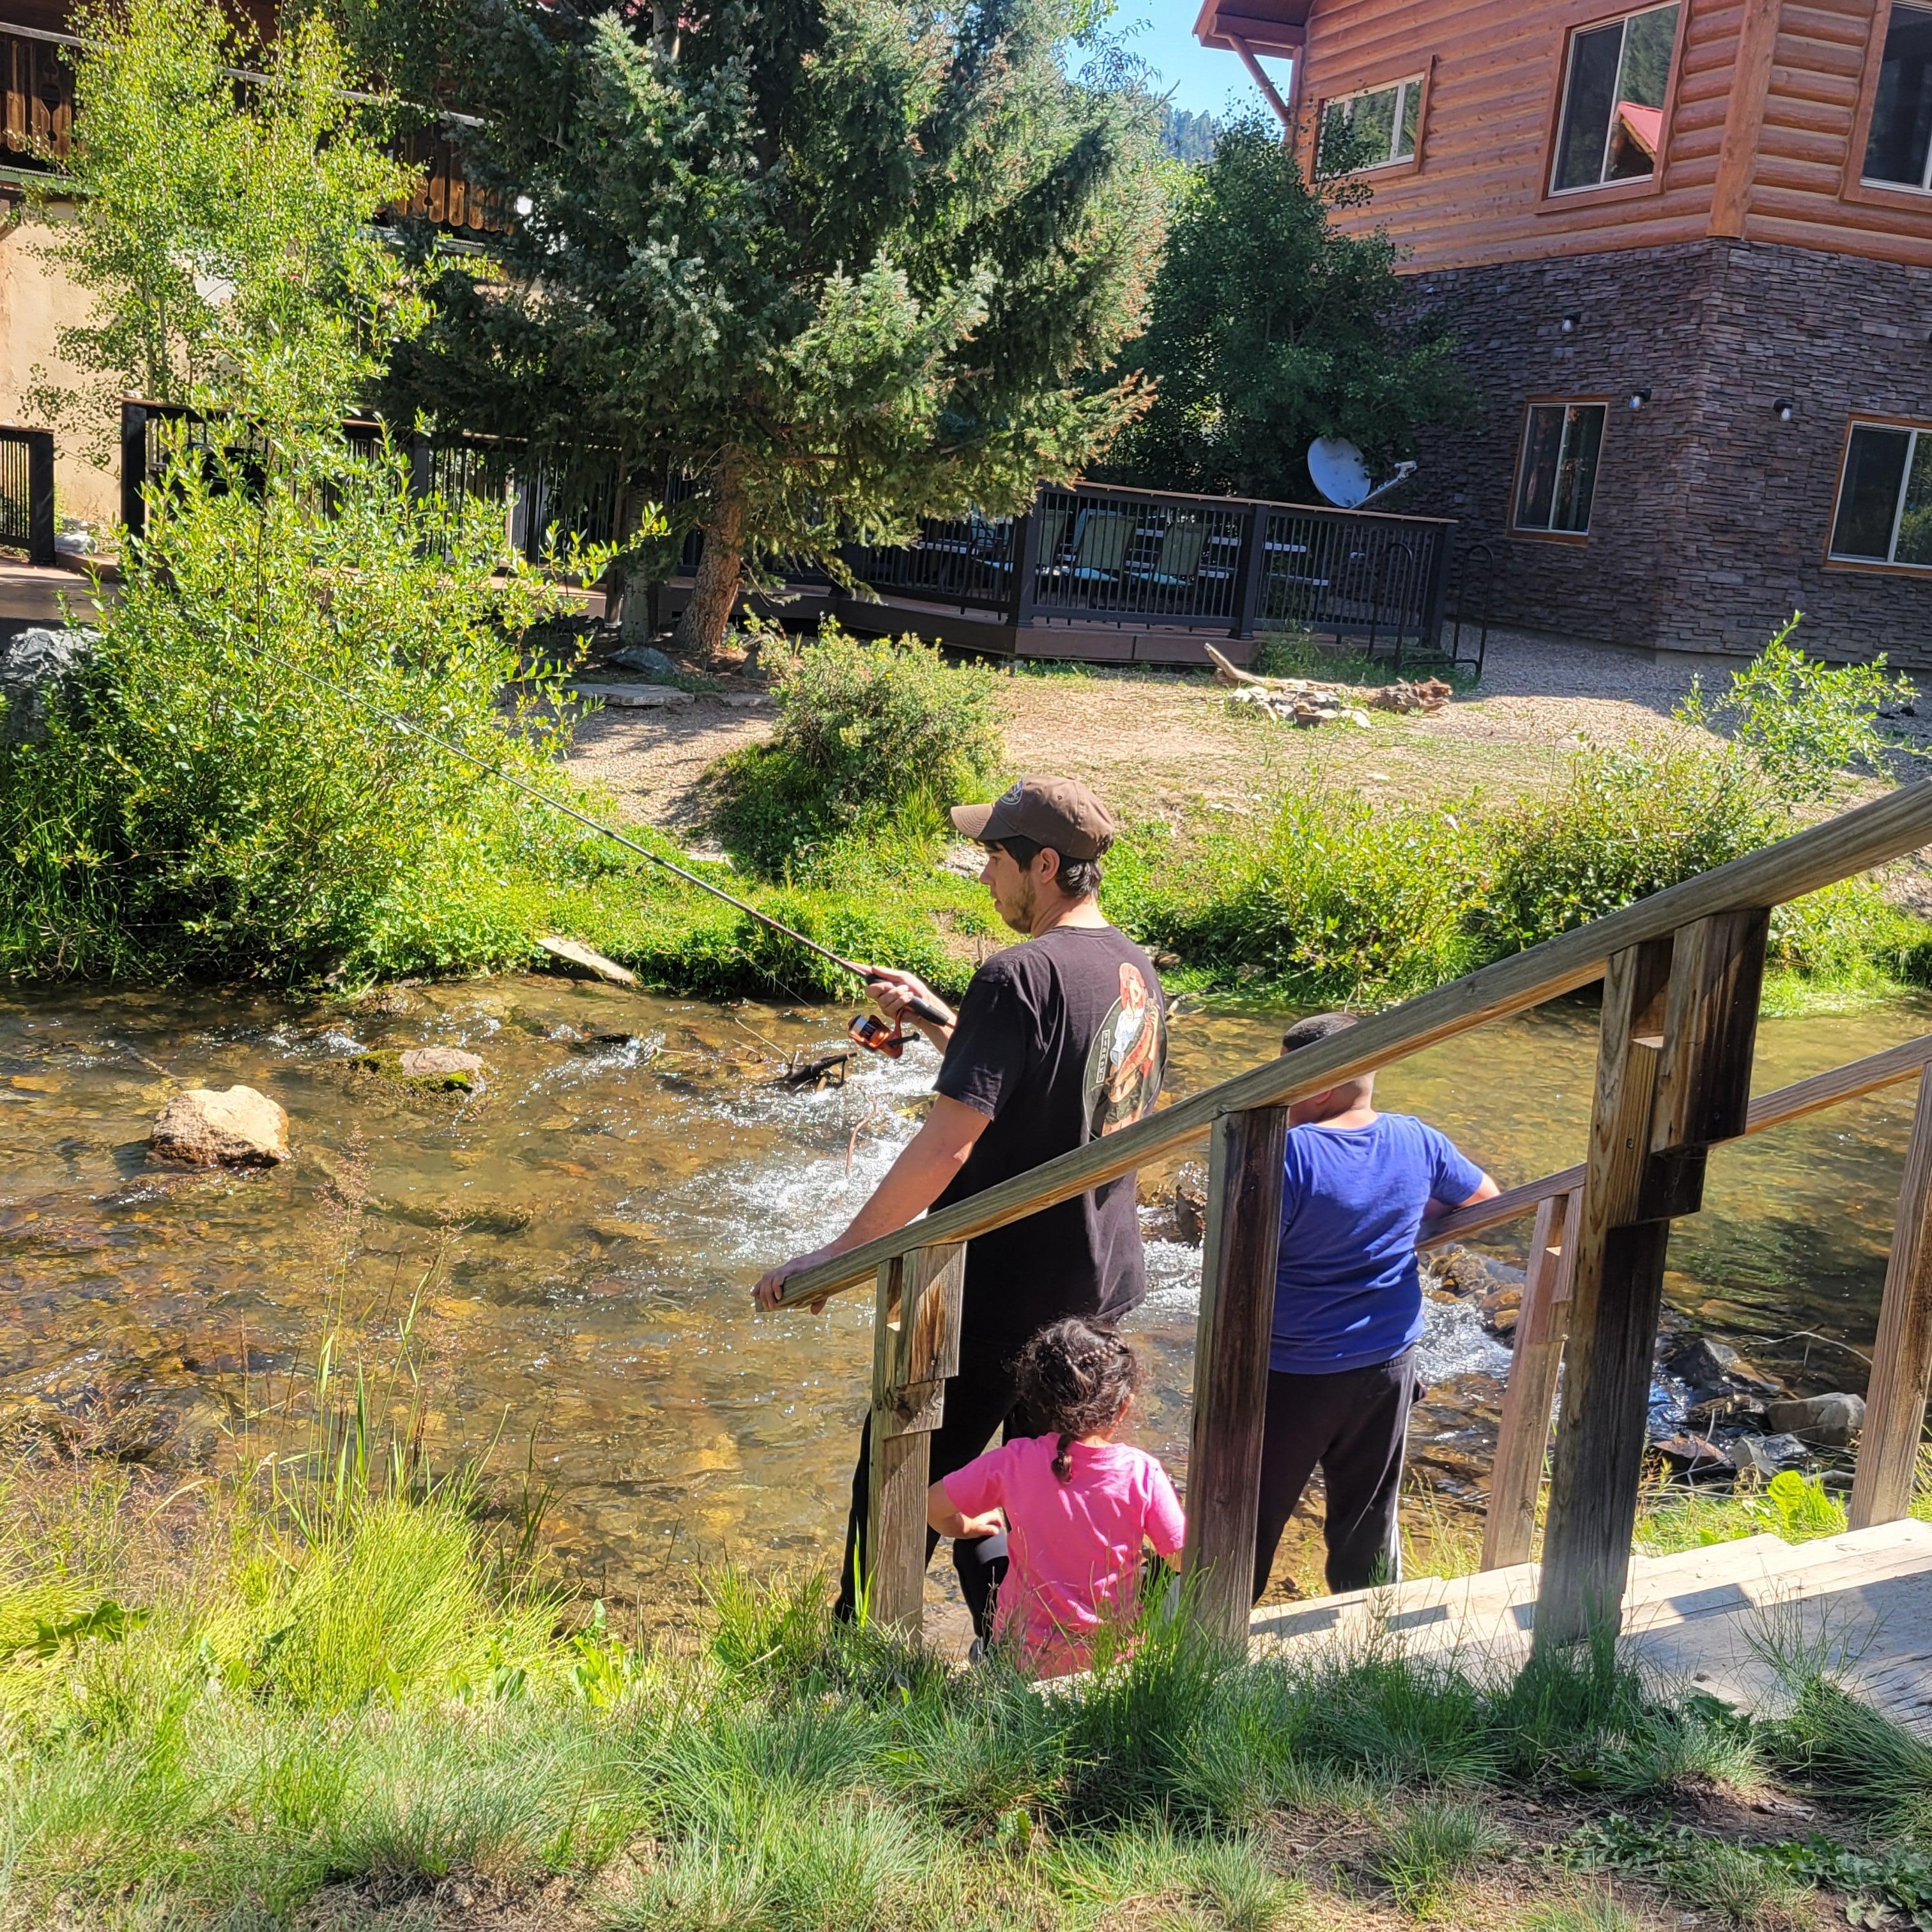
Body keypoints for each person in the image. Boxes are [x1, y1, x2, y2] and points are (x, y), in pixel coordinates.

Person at [752, 777, 1167, 1630]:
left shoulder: (1015, 976)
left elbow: (951, 1142)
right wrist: (940, 1019)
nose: (984, 877)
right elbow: (1062, 1089)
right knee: (1035, 1487)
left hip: (995, 1295)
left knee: (900, 1477)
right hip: (1093, 1291)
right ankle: (1023, 1653)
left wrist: (839, 1254)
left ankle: (863, 1644)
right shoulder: (1135, 968)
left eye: (995, 858)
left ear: (1045, 865)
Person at [1254, 1010, 1499, 1603]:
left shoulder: (1291, 1154)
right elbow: (1486, 1199)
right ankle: (1368, 1631)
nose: (1272, 1091)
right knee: (1367, 1509)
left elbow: (1250, 1254)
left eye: (1283, 1077)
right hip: (1388, 1361)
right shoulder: (1417, 1138)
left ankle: (1214, 1632)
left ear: (1318, 1083)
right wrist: (1401, 1219)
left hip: (1297, 1368)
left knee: (1251, 1510)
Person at [928, 1318, 1184, 1679]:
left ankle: (991, 1650)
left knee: (982, 1538)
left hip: (1026, 1659)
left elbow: (933, 1507)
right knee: (1155, 1569)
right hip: (1112, 1661)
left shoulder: (1012, 1461)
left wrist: (967, 1525)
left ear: (1039, 1400)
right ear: (1124, 1407)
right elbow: (1184, 1556)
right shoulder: (1143, 1472)